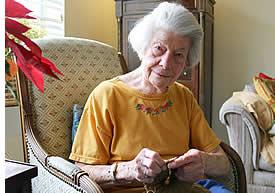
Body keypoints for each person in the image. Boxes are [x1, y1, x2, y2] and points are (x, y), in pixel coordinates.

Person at [69, 2, 232, 193]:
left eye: (179, 55)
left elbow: (224, 163)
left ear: (187, 61)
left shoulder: (184, 97)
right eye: (159, 49)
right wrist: (128, 170)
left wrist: (204, 162)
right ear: (144, 46)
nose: (166, 63)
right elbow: (80, 171)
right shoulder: (107, 94)